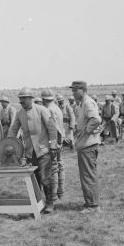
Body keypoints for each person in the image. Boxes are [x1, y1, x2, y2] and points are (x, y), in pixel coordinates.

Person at [8, 87, 58, 213]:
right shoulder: (20, 113)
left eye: (24, 98)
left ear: (31, 99)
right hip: (30, 152)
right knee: (34, 179)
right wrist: (9, 143)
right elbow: (13, 130)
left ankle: (50, 203)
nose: (21, 101)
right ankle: (38, 204)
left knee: (45, 178)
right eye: (20, 99)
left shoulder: (42, 110)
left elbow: (52, 129)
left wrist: (53, 146)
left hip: (44, 150)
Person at [70, 81, 102, 213]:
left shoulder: (87, 102)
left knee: (88, 175)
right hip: (86, 144)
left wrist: (86, 131)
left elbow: (96, 119)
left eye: (75, 90)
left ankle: (93, 206)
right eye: (73, 90)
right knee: (87, 174)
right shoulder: (82, 103)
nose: (73, 92)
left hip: (88, 145)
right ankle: (90, 202)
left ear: (82, 90)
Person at [42, 89, 66, 203]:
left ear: (43, 99)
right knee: (60, 166)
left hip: (54, 142)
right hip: (59, 142)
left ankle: (55, 195)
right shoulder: (57, 108)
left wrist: (53, 144)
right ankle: (61, 192)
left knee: (54, 168)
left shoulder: (49, 109)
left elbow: (54, 128)